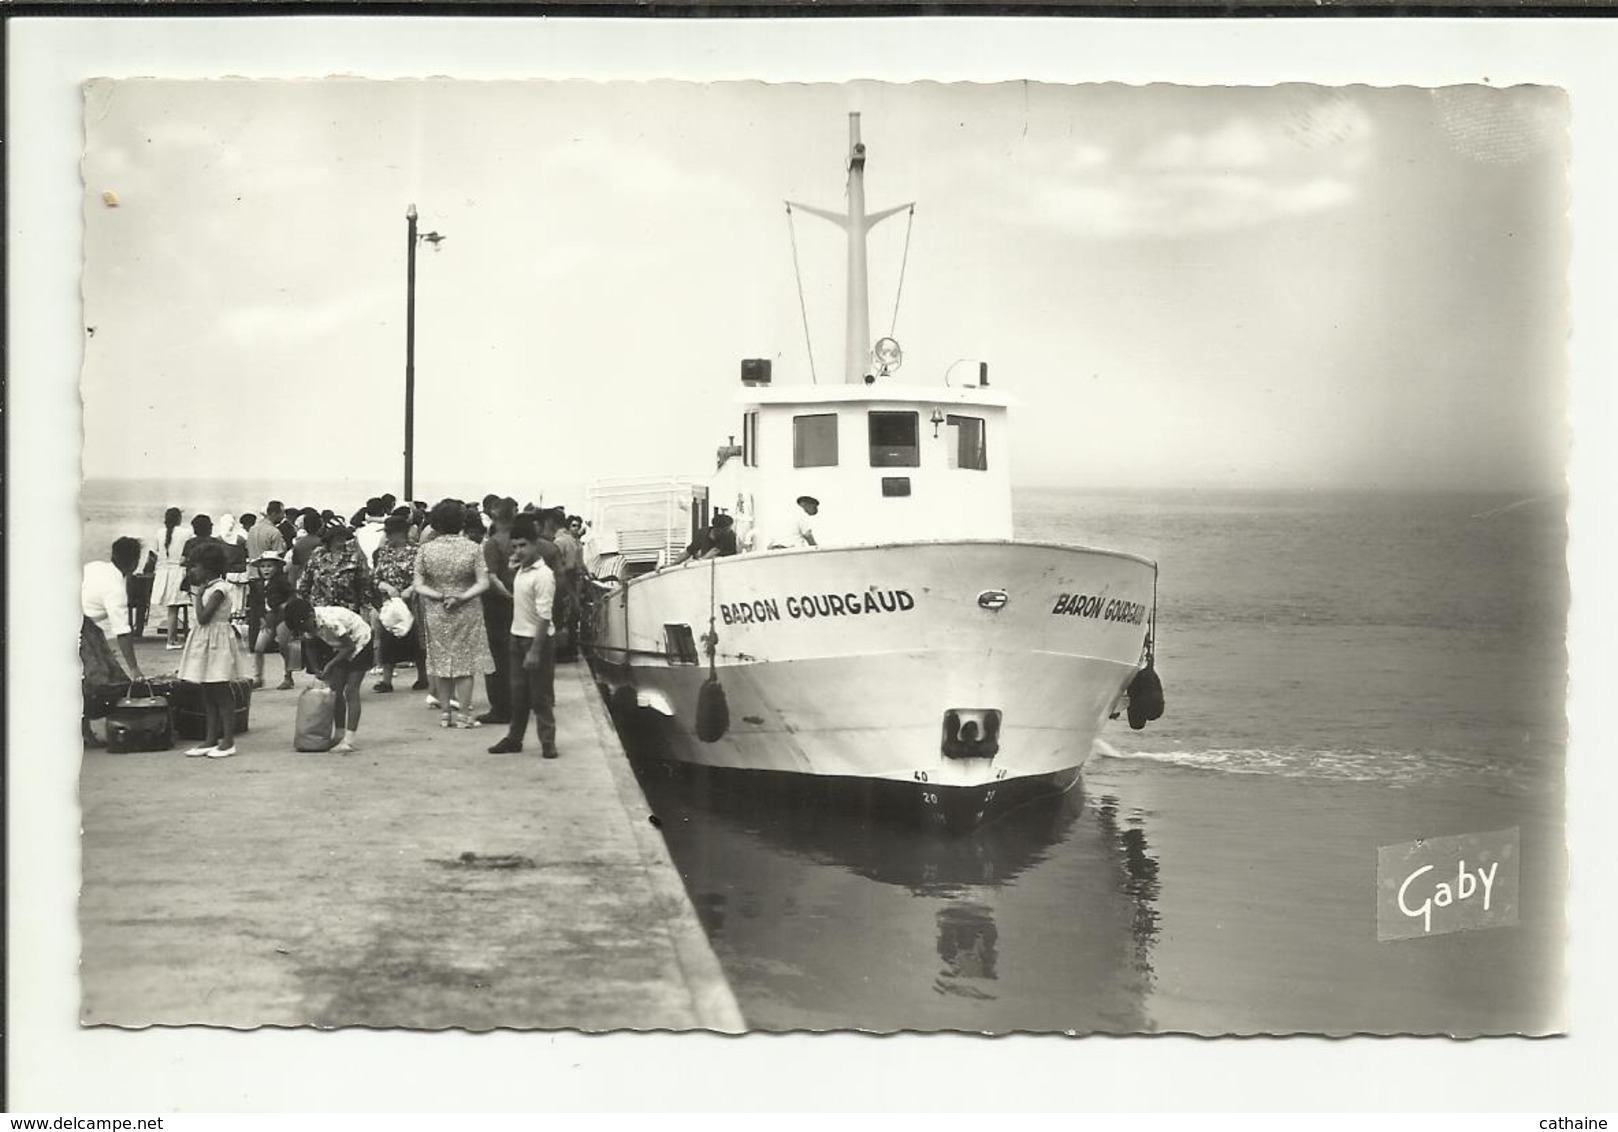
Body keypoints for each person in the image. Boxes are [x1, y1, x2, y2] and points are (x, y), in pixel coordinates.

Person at [412, 499, 495, 728]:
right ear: (461, 522)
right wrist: (461, 597)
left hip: (436, 610)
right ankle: (464, 716)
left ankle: (446, 714)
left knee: (441, 661)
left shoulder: (426, 550)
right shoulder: (472, 548)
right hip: (466, 609)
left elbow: (418, 585)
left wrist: (440, 596)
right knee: (464, 663)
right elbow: (483, 583)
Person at [488, 513, 559, 758]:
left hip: (535, 640)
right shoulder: (520, 569)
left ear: (535, 543)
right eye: (515, 546)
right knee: (517, 695)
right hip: (516, 637)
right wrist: (512, 565)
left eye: (523, 545)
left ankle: (548, 743)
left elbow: (545, 616)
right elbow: (512, 581)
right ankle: (514, 739)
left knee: (540, 697)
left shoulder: (543, 575)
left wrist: (535, 651)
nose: (518, 550)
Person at [177, 543, 244, 759]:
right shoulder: (209, 588)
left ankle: (228, 741)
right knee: (207, 690)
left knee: (221, 690)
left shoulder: (218, 589)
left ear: (208, 568)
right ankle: (210, 738)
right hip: (206, 641)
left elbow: (203, 618)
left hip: (217, 642)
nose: (191, 571)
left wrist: (197, 596)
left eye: (195, 567)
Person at [80, 537, 148, 747]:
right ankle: (82, 732)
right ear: (135, 561)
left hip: (77, 620)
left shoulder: (94, 566)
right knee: (93, 680)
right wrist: (134, 668)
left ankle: (82, 730)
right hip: (79, 625)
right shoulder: (116, 590)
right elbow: (123, 632)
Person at [283, 597, 372, 754]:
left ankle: (349, 740)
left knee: (351, 690)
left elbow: (350, 646)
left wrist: (330, 665)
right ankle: (339, 734)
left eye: (304, 626)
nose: (305, 630)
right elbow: (310, 646)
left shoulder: (329, 621)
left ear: (311, 615)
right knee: (335, 690)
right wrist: (317, 668)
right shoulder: (308, 625)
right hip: (340, 646)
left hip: (361, 641)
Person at [371, 515, 428, 694]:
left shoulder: (417, 551)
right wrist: (386, 586)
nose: (387, 536)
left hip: (414, 601)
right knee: (388, 639)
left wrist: (411, 589)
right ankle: (386, 680)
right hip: (391, 602)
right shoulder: (383, 552)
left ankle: (422, 677)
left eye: (389, 532)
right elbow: (376, 577)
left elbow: (425, 575)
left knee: (416, 639)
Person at [478, 498, 518, 725]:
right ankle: (518, 702)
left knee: (495, 659)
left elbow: (491, 577)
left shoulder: (493, 543)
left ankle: (500, 709)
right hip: (521, 603)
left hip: (498, 606)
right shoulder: (522, 541)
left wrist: (507, 595)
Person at [297, 518, 372, 617]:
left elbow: (364, 585)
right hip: (321, 611)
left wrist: (365, 611)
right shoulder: (317, 555)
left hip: (347, 612)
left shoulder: (355, 556)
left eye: (343, 535)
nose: (341, 538)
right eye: (337, 535)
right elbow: (305, 583)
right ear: (329, 537)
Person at [250, 552, 297, 690]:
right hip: (268, 618)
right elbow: (256, 603)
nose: (266, 569)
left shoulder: (282, 582)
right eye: (263, 566)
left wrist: (286, 604)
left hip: (282, 617)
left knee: (283, 646)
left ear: (276, 567)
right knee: (259, 648)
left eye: (269, 566)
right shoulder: (257, 584)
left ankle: (288, 676)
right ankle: (258, 677)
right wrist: (260, 617)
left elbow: (292, 595)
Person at [151, 506, 189, 649]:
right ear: (179, 518)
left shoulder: (160, 533)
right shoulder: (185, 533)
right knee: (174, 607)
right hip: (177, 571)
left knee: (172, 608)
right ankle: (171, 640)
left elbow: (156, 552)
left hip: (163, 572)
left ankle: (172, 638)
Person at [288, 511, 322, 591]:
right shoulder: (321, 543)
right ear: (320, 525)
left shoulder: (299, 543)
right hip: (316, 581)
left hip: (301, 578)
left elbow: (294, 567)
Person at [354, 497, 388, 563]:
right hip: (381, 566)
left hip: (365, 567)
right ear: (383, 510)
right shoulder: (387, 529)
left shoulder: (359, 531)